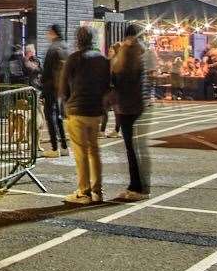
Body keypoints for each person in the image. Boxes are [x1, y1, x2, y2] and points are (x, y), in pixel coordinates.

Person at [59, 26, 111, 204]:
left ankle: (84, 192)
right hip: (95, 110)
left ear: (78, 40)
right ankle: (98, 191)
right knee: (94, 151)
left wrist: (65, 105)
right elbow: (107, 85)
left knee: (81, 152)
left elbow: (64, 86)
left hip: (77, 109)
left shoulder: (74, 58)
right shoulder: (103, 59)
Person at [109, 23, 154, 202]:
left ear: (128, 36)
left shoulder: (128, 53)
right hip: (141, 104)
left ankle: (138, 188)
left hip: (128, 106)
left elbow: (118, 76)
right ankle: (139, 186)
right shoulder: (143, 52)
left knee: (132, 149)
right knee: (138, 148)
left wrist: (115, 57)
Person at [39, 24, 67, 157]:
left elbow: (46, 72)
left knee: (50, 116)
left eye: (49, 32)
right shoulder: (65, 46)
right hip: (61, 87)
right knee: (59, 116)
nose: (47, 35)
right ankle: (64, 147)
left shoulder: (52, 49)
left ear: (53, 33)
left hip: (50, 87)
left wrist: (42, 89)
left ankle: (55, 148)